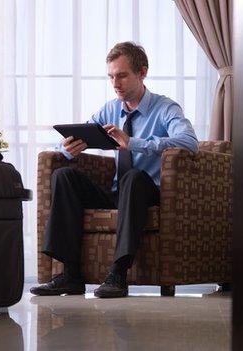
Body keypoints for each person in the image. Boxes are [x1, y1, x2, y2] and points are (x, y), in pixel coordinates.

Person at [30, 42, 198, 298]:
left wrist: (133, 143)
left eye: (121, 75)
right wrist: (67, 148)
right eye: (111, 76)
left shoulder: (166, 109)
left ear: (142, 73)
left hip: (149, 193)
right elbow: (78, 134)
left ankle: (118, 273)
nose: (115, 83)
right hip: (118, 193)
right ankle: (69, 275)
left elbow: (189, 141)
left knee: (133, 177)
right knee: (64, 175)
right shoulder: (109, 109)